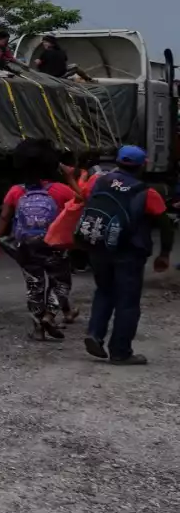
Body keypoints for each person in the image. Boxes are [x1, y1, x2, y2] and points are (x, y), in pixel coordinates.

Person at [81, 145, 173, 365]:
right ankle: (120, 352)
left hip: (99, 248)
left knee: (104, 291)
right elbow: (166, 225)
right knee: (127, 301)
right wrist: (164, 254)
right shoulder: (146, 192)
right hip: (129, 253)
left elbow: (86, 200)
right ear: (142, 165)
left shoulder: (98, 181)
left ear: (118, 162)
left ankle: (94, 334)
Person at [0, 140, 77, 341]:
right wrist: (71, 178)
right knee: (60, 282)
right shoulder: (61, 190)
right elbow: (81, 204)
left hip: (26, 246)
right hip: (55, 245)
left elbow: (4, 217)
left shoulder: (16, 191)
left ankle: (38, 329)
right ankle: (50, 315)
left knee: (34, 286)